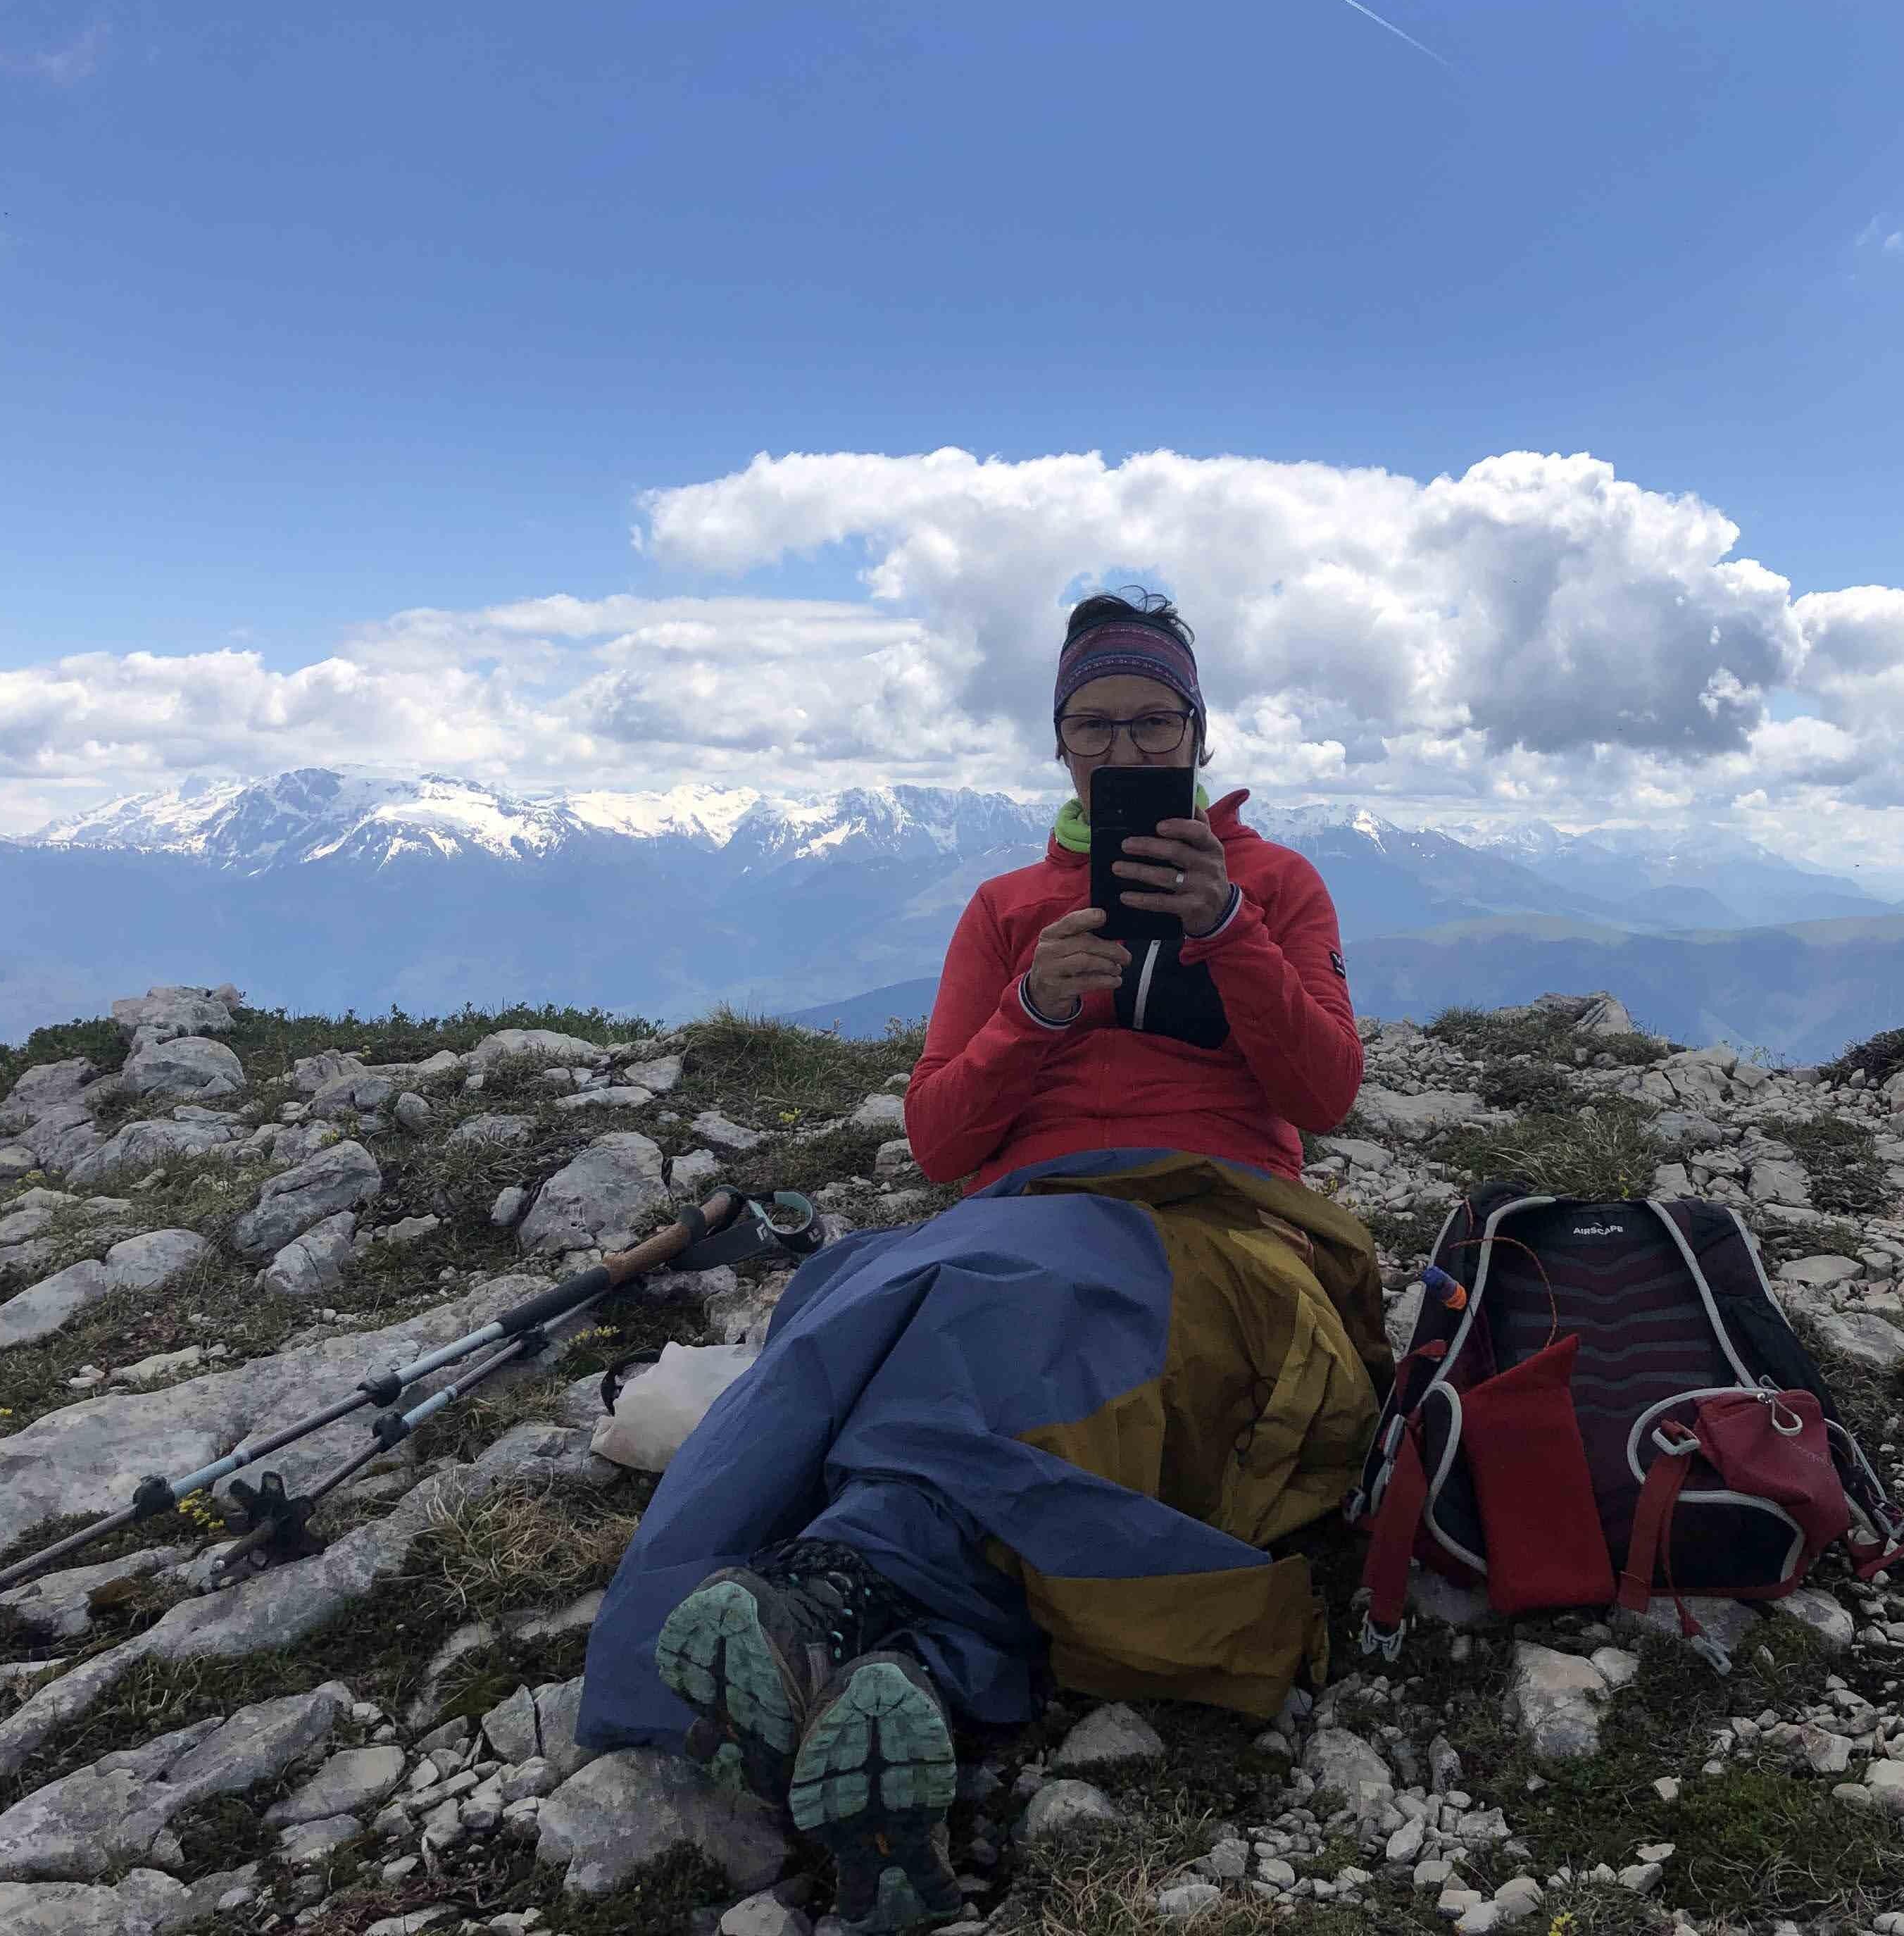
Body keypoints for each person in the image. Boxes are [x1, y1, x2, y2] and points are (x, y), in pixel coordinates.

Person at [577, 590, 1389, 1933]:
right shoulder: (1009, 908)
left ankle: (829, 1598)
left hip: (1224, 1221)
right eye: (1095, 726)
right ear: (1058, 743)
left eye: (1153, 722)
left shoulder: (1278, 885)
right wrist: (1030, 1012)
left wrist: (1229, 932)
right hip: (1017, 1219)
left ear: (1200, 733)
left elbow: (1327, 1091)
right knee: (886, 1296)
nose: (1124, 751)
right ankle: (911, 1679)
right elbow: (944, 1138)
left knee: (965, 1321)